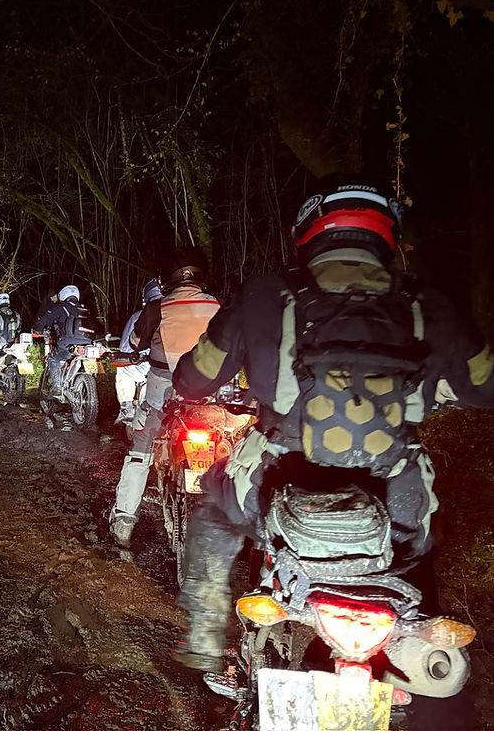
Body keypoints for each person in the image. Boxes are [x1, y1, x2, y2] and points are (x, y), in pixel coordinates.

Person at [170, 177, 494, 672]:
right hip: (397, 498)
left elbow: (193, 381)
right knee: (416, 560)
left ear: (308, 231)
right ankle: (427, 662)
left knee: (215, 504)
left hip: (277, 487)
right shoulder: (432, 303)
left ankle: (206, 637)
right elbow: (485, 387)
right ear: (386, 234)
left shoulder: (265, 296)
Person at [109, 251, 221, 547]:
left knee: (140, 449)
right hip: (209, 396)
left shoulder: (157, 308)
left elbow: (135, 343)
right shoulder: (217, 305)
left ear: (167, 278)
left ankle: (124, 520)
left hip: (162, 393)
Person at [114, 278, 163, 426]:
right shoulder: (179, 311)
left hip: (149, 365)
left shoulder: (141, 316)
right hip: (180, 367)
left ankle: (126, 408)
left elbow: (126, 346)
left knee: (122, 370)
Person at [31, 285, 93, 398]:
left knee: (53, 358)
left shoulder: (61, 307)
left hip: (67, 343)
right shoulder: (85, 309)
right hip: (87, 344)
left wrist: (36, 329)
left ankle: (57, 387)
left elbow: (44, 319)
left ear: (63, 295)